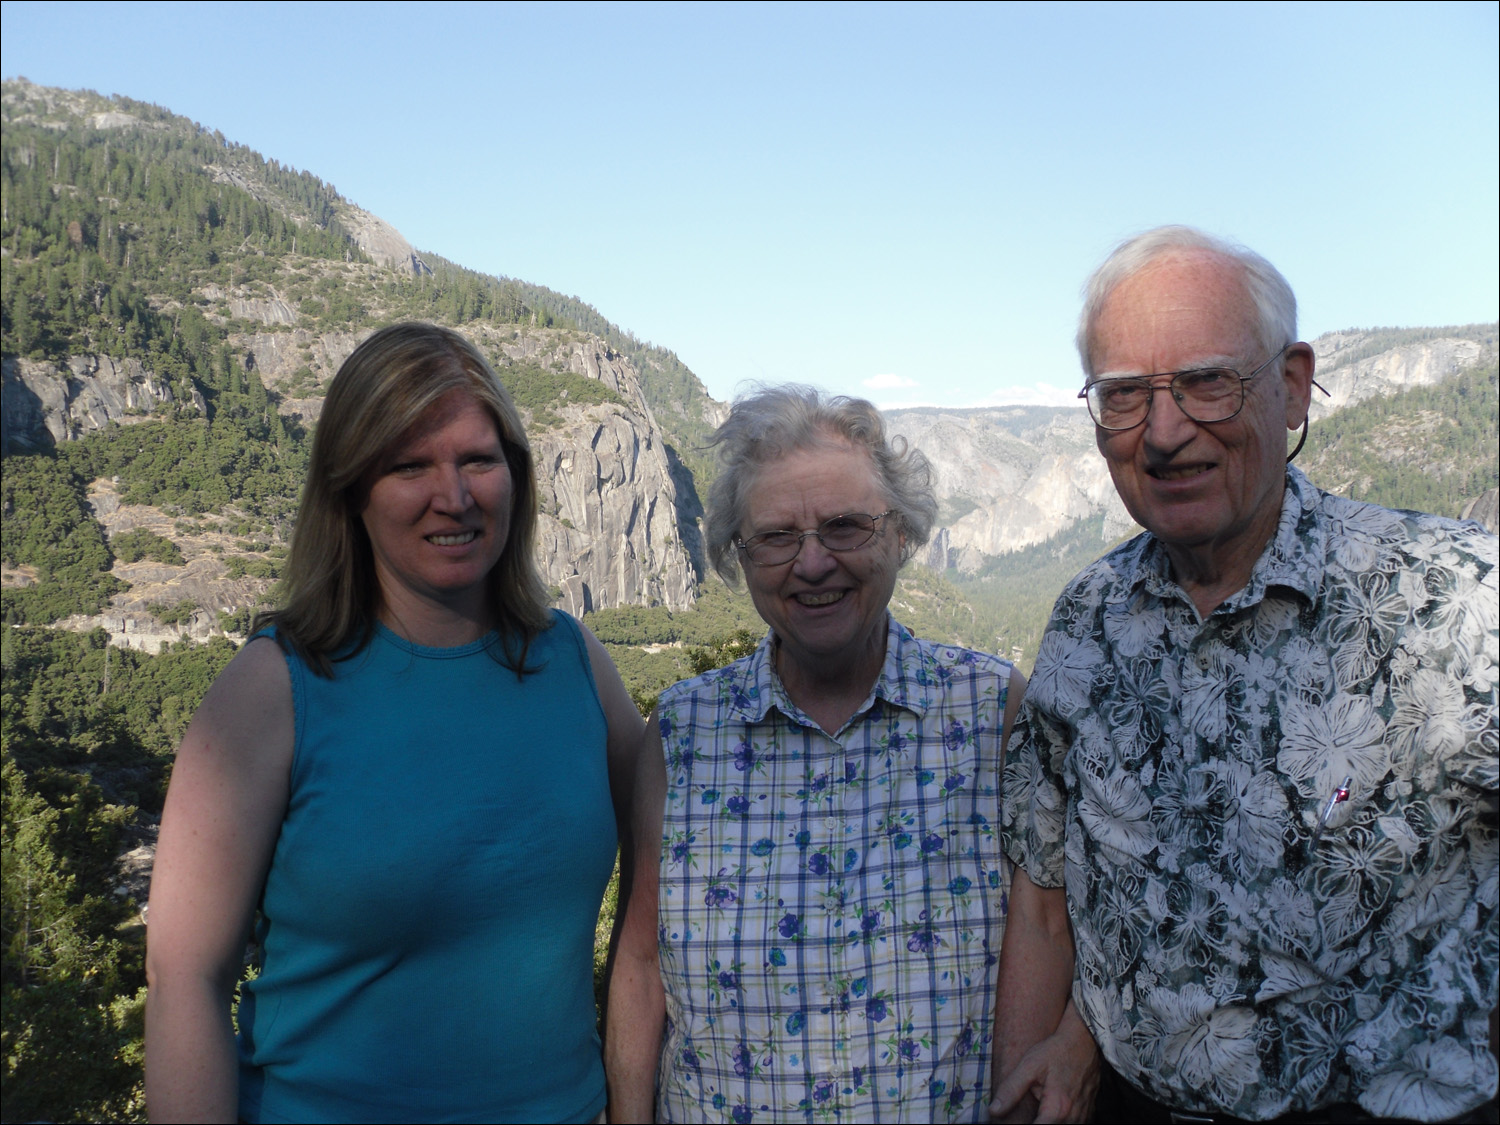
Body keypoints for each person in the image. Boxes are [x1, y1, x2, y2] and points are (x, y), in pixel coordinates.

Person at [992, 226, 1499, 1123]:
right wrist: (1057, 1048)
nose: (1163, 432)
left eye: (1205, 381)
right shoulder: (1085, 622)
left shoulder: (1454, 601)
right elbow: (1044, 899)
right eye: (1124, 396)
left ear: (1293, 385)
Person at [144, 322, 644, 1123]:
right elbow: (184, 980)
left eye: (477, 459)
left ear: (515, 475)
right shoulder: (275, 687)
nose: (454, 495)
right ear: (352, 490)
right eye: (410, 465)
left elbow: (673, 871)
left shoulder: (577, 664)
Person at [605, 386, 1027, 1123]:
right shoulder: (681, 733)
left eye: (845, 527)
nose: (812, 562)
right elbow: (640, 966)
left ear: (901, 533)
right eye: (775, 536)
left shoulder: (992, 710)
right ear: (738, 553)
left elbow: (1062, 932)